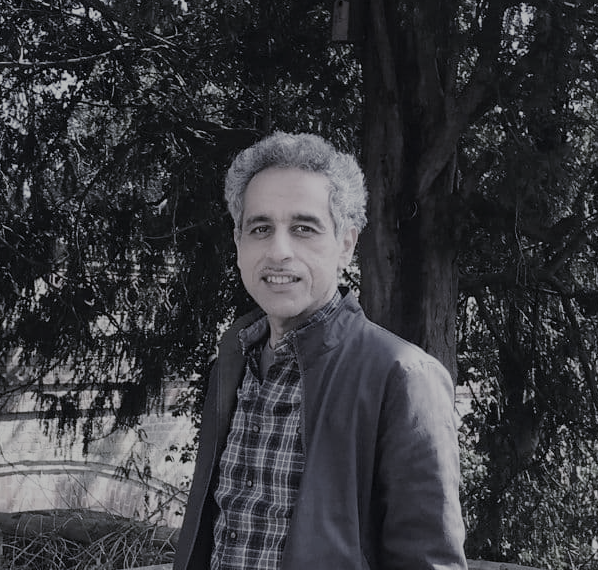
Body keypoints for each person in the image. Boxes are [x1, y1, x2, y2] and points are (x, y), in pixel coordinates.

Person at [174, 132, 467, 570]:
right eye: (260, 228)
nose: (279, 251)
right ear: (238, 243)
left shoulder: (402, 377)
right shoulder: (233, 364)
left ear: (346, 244)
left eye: (304, 229)